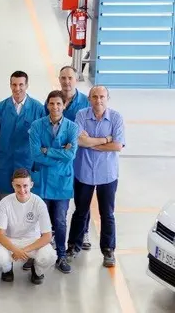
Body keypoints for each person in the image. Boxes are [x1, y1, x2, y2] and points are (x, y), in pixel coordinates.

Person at [67, 86, 125, 268]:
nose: (98, 100)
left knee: (107, 214)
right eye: (94, 97)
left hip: (107, 174)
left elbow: (118, 146)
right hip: (83, 172)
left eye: (101, 97)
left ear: (108, 98)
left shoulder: (116, 118)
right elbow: (79, 141)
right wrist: (105, 139)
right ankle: (73, 247)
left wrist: (90, 143)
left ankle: (108, 250)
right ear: (89, 99)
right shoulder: (81, 115)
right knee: (80, 211)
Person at [29, 90, 80, 274]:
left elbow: (71, 155)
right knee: (37, 220)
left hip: (61, 183)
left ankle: (61, 255)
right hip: (42, 181)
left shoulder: (73, 128)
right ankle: (33, 254)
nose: (55, 107)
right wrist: (59, 151)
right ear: (47, 105)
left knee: (59, 220)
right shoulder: (36, 126)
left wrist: (47, 150)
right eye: (52, 103)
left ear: (64, 105)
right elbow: (35, 153)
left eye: (59, 103)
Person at [49, 66, 91, 250]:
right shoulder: (53, 100)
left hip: (81, 159)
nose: (67, 81)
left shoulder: (86, 102)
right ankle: (52, 233)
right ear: (59, 79)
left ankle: (84, 232)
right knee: (57, 200)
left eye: (70, 78)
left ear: (76, 80)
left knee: (82, 199)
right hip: (58, 162)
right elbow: (48, 130)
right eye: (63, 78)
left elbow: (86, 135)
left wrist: (74, 142)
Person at [0, 169, 57, 285]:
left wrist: (23, 250)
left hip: (33, 241)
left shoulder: (39, 203)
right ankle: (7, 270)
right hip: (10, 240)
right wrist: (15, 249)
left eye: (25, 185)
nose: (22, 190)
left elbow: (47, 236)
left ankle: (37, 271)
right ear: (13, 185)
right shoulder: (5, 202)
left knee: (50, 256)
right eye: (18, 186)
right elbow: (0, 234)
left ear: (31, 185)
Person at [0, 71, 45, 203]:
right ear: (10, 85)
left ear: (27, 85)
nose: (17, 88)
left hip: (27, 161)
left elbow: (42, 138)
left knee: (26, 204)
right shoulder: (0, 108)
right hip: (5, 162)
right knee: (4, 202)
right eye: (14, 84)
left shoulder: (38, 108)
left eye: (21, 84)